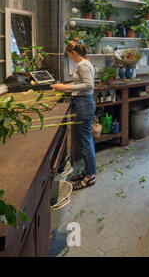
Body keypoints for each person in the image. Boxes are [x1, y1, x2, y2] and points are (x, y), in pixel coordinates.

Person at [51, 39, 97, 190]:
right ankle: (87, 172)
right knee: (85, 140)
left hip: (84, 103)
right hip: (83, 103)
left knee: (85, 141)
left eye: (69, 54)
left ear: (75, 52)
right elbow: (82, 84)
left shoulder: (82, 64)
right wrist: (66, 87)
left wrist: (66, 86)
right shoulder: (86, 62)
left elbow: (89, 85)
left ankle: (90, 177)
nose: (69, 57)